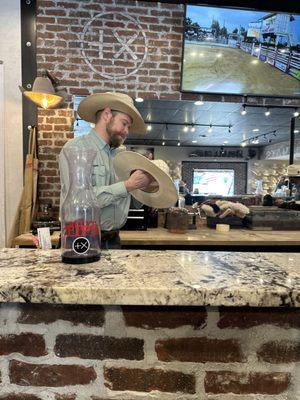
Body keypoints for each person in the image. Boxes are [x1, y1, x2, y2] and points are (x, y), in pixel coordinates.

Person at [59, 92, 153, 249]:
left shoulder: (123, 155)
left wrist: (145, 182)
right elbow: (79, 200)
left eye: (128, 127)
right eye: (124, 124)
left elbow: (135, 204)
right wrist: (128, 185)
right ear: (107, 115)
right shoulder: (75, 149)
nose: (126, 131)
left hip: (114, 240)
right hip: (81, 239)